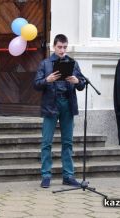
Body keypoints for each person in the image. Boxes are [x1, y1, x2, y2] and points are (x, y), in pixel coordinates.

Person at [34, 34, 85, 188]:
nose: (62, 50)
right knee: (46, 142)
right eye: (59, 47)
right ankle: (46, 175)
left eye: (64, 47)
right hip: (51, 104)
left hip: (67, 105)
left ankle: (68, 176)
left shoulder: (72, 63)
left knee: (68, 142)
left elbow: (82, 84)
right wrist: (46, 80)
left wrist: (77, 81)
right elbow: (36, 85)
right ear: (53, 47)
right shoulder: (45, 64)